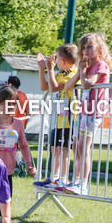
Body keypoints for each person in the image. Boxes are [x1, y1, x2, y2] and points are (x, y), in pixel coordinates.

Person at [63, 32, 112, 196]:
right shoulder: (86, 67)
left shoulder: (101, 66)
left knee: (84, 147)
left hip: (93, 112)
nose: (85, 51)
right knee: (76, 146)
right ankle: (76, 180)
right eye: (83, 48)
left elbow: (86, 84)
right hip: (82, 112)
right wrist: (80, 71)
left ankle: (83, 184)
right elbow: (68, 86)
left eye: (89, 47)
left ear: (100, 48)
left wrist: (83, 73)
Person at [34, 44, 79, 189]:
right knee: (55, 148)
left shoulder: (73, 74)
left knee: (63, 150)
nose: (55, 61)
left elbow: (53, 88)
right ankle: (54, 177)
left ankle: (63, 179)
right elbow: (44, 87)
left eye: (57, 58)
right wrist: (42, 69)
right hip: (59, 119)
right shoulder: (61, 74)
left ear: (63, 61)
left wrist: (50, 69)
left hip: (69, 121)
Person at [0, 85, 35, 195]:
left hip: (7, 172)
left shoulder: (18, 125)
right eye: (5, 103)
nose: (10, 107)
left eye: (13, 103)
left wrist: (28, 163)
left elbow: (23, 145)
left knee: (6, 202)